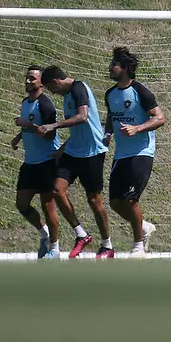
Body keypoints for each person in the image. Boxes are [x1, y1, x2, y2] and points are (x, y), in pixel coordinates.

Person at [38, 65, 113, 258]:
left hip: (92, 153)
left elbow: (83, 117)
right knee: (57, 189)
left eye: (51, 88)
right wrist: (61, 150)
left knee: (94, 201)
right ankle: (81, 234)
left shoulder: (78, 88)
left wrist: (53, 125)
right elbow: (76, 130)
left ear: (55, 82)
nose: (52, 93)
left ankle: (107, 245)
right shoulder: (66, 99)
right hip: (73, 152)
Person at [103, 47, 165, 257]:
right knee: (115, 202)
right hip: (121, 154)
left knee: (130, 200)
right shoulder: (110, 93)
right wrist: (108, 133)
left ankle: (138, 245)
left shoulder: (141, 91)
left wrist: (137, 128)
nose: (111, 67)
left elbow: (159, 118)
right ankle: (144, 226)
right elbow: (111, 116)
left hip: (141, 152)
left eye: (115, 64)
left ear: (126, 68)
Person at [11, 66, 61, 259]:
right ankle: (44, 233)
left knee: (48, 207)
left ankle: (55, 249)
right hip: (30, 163)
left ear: (41, 82)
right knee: (22, 203)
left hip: (47, 162)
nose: (28, 81)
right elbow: (30, 126)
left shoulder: (46, 105)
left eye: (32, 78)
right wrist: (19, 136)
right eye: (27, 78)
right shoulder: (25, 102)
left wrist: (28, 126)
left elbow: (50, 136)